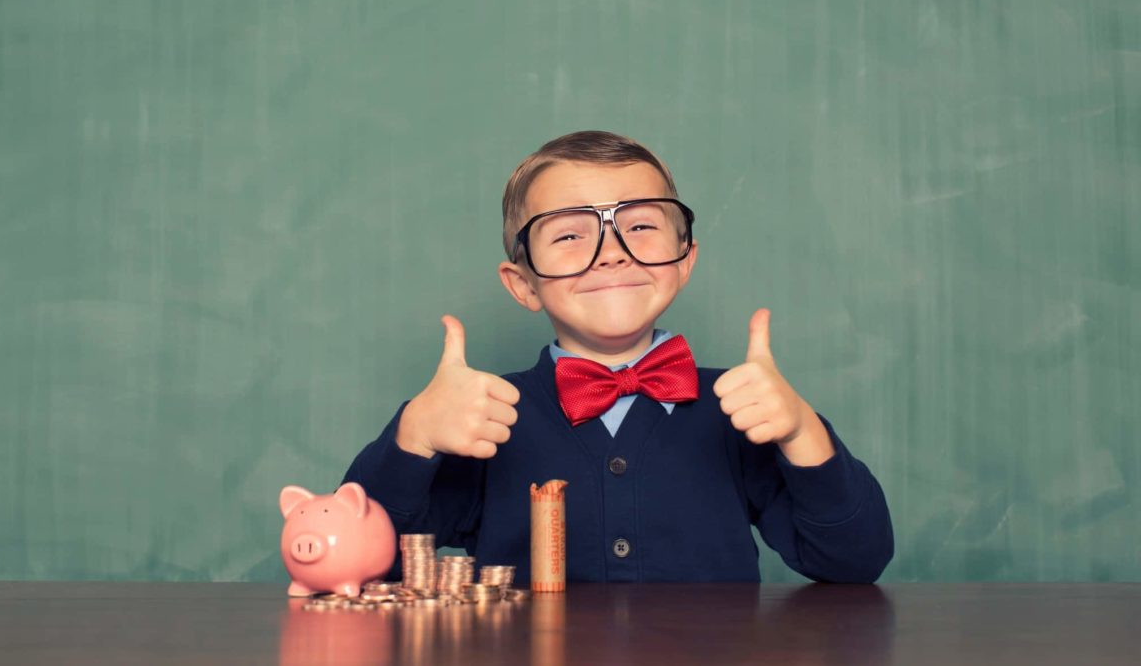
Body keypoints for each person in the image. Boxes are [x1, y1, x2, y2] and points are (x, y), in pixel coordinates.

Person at [343, 130, 893, 583]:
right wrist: (412, 439)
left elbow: (854, 562)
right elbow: (358, 564)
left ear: (684, 259)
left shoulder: (740, 412)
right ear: (523, 283)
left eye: (641, 226)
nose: (611, 253)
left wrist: (802, 432)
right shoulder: (483, 416)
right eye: (568, 236)